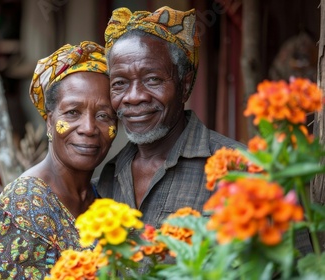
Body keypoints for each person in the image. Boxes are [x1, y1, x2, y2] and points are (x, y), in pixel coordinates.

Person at [97, 6, 313, 256]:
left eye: (153, 80)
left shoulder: (243, 170)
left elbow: (296, 266)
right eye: (120, 83)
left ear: (185, 85)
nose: (133, 97)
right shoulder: (106, 178)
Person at [0, 41, 118, 279]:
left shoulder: (103, 197)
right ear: (49, 121)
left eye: (103, 115)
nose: (89, 128)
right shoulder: (21, 209)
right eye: (72, 113)